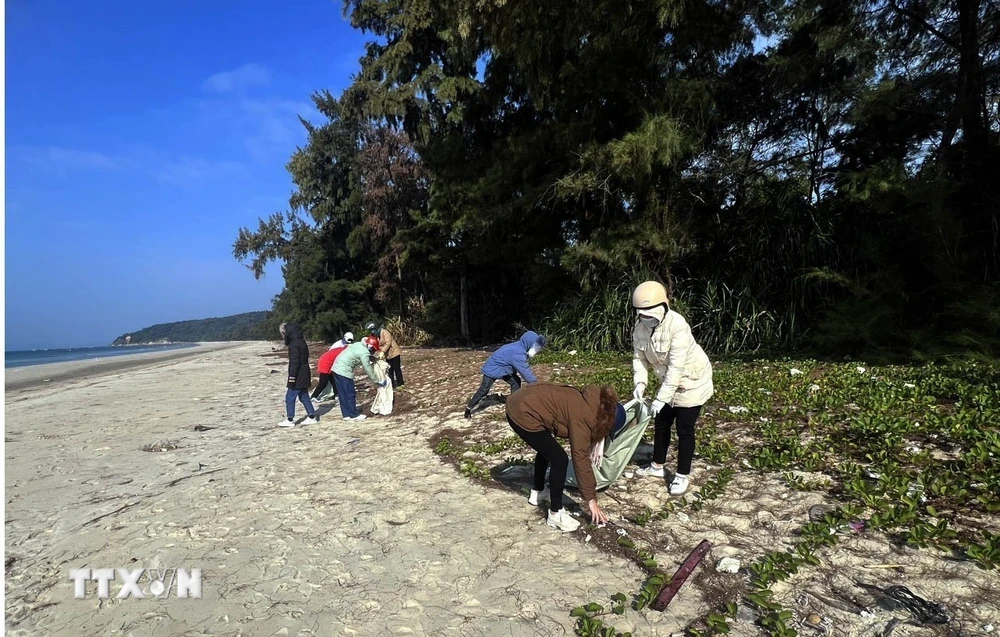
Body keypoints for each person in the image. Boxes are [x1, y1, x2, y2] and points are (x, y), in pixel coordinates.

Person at [505, 382, 626, 532]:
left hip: (523, 401)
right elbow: (580, 457)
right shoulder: (584, 417)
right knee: (559, 459)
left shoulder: (593, 403)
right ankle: (555, 514)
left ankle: (538, 493)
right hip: (521, 412)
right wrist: (591, 499)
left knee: (547, 449)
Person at [630, 280, 714, 495]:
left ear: (664, 307)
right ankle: (657, 466)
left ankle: (681, 475)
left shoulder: (678, 326)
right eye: (643, 314)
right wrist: (640, 383)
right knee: (661, 424)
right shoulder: (640, 328)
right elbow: (639, 359)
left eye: (652, 313)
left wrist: (660, 399)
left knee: (684, 429)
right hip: (667, 383)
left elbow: (677, 367)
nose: (647, 318)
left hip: (691, 383)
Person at [465, 331, 546, 418]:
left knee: (516, 381)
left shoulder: (519, 347)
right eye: (535, 346)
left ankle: (514, 404)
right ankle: (468, 409)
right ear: (529, 343)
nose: (536, 348)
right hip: (492, 368)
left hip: (503, 368)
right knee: (484, 390)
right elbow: (526, 372)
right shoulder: (518, 353)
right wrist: (537, 385)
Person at [332, 340, 388, 421]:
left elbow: (357, 354)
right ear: (370, 347)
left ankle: (346, 414)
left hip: (336, 368)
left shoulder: (359, 344)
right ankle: (353, 415)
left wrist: (373, 358)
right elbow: (368, 368)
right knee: (350, 393)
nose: (374, 352)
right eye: (374, 350)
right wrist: (377, 380)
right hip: (344, 371)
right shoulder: (364, 353)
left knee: (343, 393)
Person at [279, 322, 318, 427]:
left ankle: (290, 419)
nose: (283, 336)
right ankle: (312, 416)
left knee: (290, 397)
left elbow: (295, 362)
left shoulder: (294, 344)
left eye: (283, 333)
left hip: (298, 374)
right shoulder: (302, 342)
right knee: (304, 396)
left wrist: (292, 377)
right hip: (305, 372)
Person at [311, 332, 355, 402]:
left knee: (334, 381)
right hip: (326, 363)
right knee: (323, 382)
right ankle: (314, 396)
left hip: (330, 362)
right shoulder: (342, 348)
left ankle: (337, 395)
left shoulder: (345, 347)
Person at [367, 322, 404, 389]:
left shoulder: (384, 332)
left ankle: (400, 384)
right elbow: (375, 345)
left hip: (394, 352)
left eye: (373, 329)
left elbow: (388, 343)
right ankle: (391, 385)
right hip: (387, 355)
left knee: (397, 369)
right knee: (389, 370)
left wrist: (382, 352)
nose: (372, 331)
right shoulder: (375, 336)